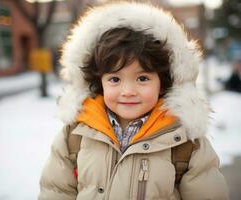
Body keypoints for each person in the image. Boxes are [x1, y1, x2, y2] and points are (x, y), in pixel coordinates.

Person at [38, 2, 229, 200]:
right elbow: (56, 190)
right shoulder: (75, 135)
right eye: (114, 79)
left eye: (142, 78)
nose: (128, 91)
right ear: (98, 82)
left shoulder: (185, 142)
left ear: (163, 82)